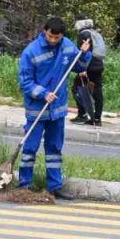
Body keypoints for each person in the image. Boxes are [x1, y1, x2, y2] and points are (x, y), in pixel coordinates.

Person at [18, 17, 91, 200]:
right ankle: (25, 184)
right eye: (50, 36)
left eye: (56, 38)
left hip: (57, 110)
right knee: (30, 148)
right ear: (45, 31)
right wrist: (43, 94)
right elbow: (25, 82)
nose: (52, 40)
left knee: (54, 149)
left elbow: (79, 67)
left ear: (62, 36)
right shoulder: (31, 52)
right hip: (37, 109)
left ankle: (55, 186)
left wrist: (84, 54)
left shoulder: (67, 46)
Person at [70, 18, 107, 126]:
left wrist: (83, 69)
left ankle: (82, 115)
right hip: (99, 65)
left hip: (89, 65)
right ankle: (97, 118)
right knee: (97, 91)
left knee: (77, 88)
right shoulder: (95, 33)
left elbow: (84, 52)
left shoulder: (83, 34)